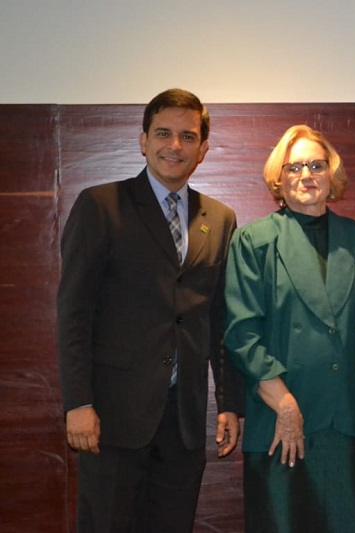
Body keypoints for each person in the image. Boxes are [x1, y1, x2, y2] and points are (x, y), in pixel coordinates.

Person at [57, 88, 243, 532]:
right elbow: (74, 315)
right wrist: (78, 402)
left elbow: (219, 318)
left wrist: (229, 403)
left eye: (187, 136)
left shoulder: (219, 218)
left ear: (202, 149)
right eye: (163, 133)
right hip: (111, 416)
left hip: (183, 419)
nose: (174, 146)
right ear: (143, 140)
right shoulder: (100, 206)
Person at [224, 125, 355, 532]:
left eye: (317, 165)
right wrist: (285, 404)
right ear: (278, 178)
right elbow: (241, 333)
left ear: (332, 175)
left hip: (350, 420)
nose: (306, 175)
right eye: (294, 167)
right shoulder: (253, 241)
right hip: (282, 420)